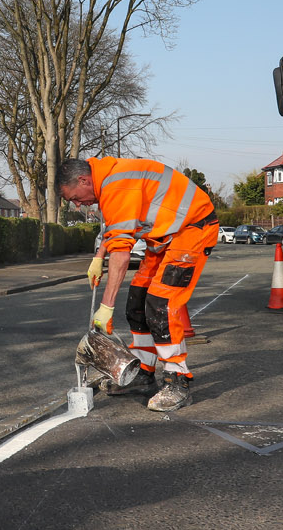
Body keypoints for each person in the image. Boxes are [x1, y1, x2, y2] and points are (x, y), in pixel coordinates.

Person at [58, 157, 219, 411]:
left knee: (161, 304)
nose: (77, 204)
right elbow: (113, 227)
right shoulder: (106, 180)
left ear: (83, 180)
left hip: (191, 230)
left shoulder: (116, 184)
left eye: (74, 197)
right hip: (163, 237)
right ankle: (143, 374)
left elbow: (122, 253)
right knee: (137, 300)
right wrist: (99, 257)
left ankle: (178, 380)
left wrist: (107, 306)